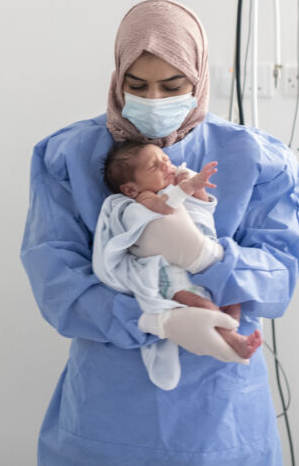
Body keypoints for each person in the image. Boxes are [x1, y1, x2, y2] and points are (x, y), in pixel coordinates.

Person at [21, 0, 299, 465]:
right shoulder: (67, 156)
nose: (153, 101)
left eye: (172, 86)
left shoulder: (259, 160)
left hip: (220, 417)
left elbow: (276, 284)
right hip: (110, 414)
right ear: (117, 79)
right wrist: (157, 321)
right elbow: (57, 284)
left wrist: (208, 258)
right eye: (138, 85)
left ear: (200, 77)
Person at [94, 140, 262, 386]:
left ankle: (232, 324)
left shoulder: (170, 187)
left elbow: (202, 209)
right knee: (194, 301)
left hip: (201, 259)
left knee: (232, 294)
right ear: (130, 189)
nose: (166, 165)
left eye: (165, 159)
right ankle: (233, 338)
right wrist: (187, 186)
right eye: (154, 165)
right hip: (166, 271)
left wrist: (197, 188)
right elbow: (164, 209)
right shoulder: (144, 199)